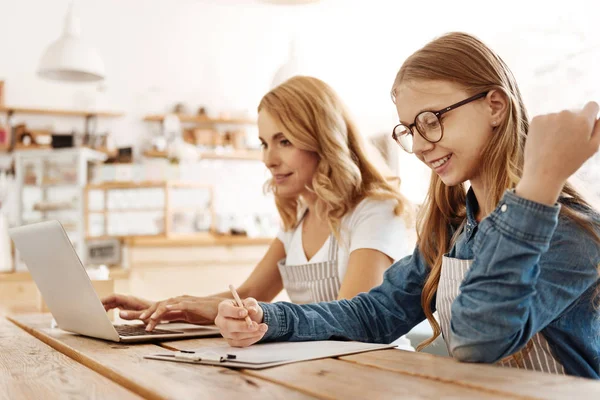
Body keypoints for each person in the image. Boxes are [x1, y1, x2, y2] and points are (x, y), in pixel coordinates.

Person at [215, 32, 600, 379]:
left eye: (431, 120)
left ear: (495, 106)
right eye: (409, 130)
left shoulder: (571, 232)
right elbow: (375, 314)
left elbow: (479, 340)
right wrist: (268, 318)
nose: (417, 145)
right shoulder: (455, 229)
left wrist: (538, 183)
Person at [102, 76, 414, 348]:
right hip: (318, 367)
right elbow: (249, 294)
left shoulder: (374, 211)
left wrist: (203, 310)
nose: (269, 159)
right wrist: (165, 309)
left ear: (323, 140)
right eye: (264, 143)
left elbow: (352, 323)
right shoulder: (299, 216)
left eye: (284, 141)